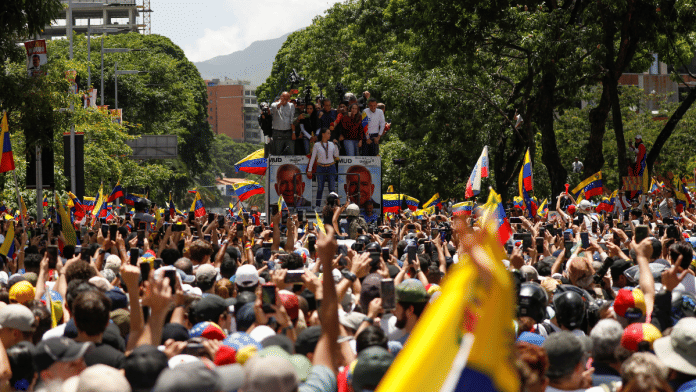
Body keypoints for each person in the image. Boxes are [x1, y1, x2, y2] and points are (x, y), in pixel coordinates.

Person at [307, 128, 339, 208]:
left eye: (330, 133)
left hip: (331, 167)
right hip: (320, 167)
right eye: (328, 133)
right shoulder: (317, 145)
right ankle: (318, 206)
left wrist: (336, 145)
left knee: (332, 188)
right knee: (320, 187)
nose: (330, 135)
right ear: (323, 134)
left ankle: (332, 206)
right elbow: (313, 157)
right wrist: (309, 169)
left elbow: (336, 155)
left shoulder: (331, 144)